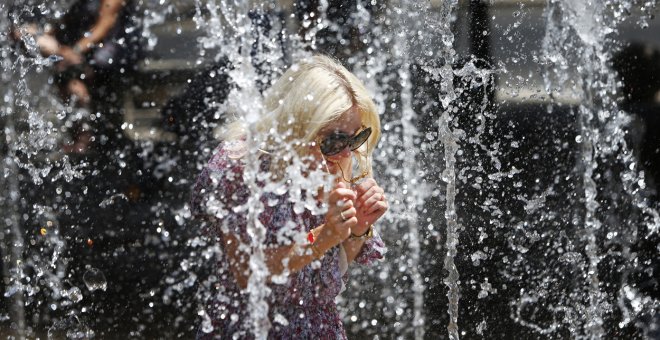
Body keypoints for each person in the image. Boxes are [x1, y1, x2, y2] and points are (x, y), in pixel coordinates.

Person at [191, 55, 389, 338]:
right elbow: (247, 271)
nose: (347, 153)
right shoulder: (239, 167)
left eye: (355, 138)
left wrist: (355, 230)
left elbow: (324, 284)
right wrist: (324, 236)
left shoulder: (336, 166)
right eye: (334, 140)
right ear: (299, 128)